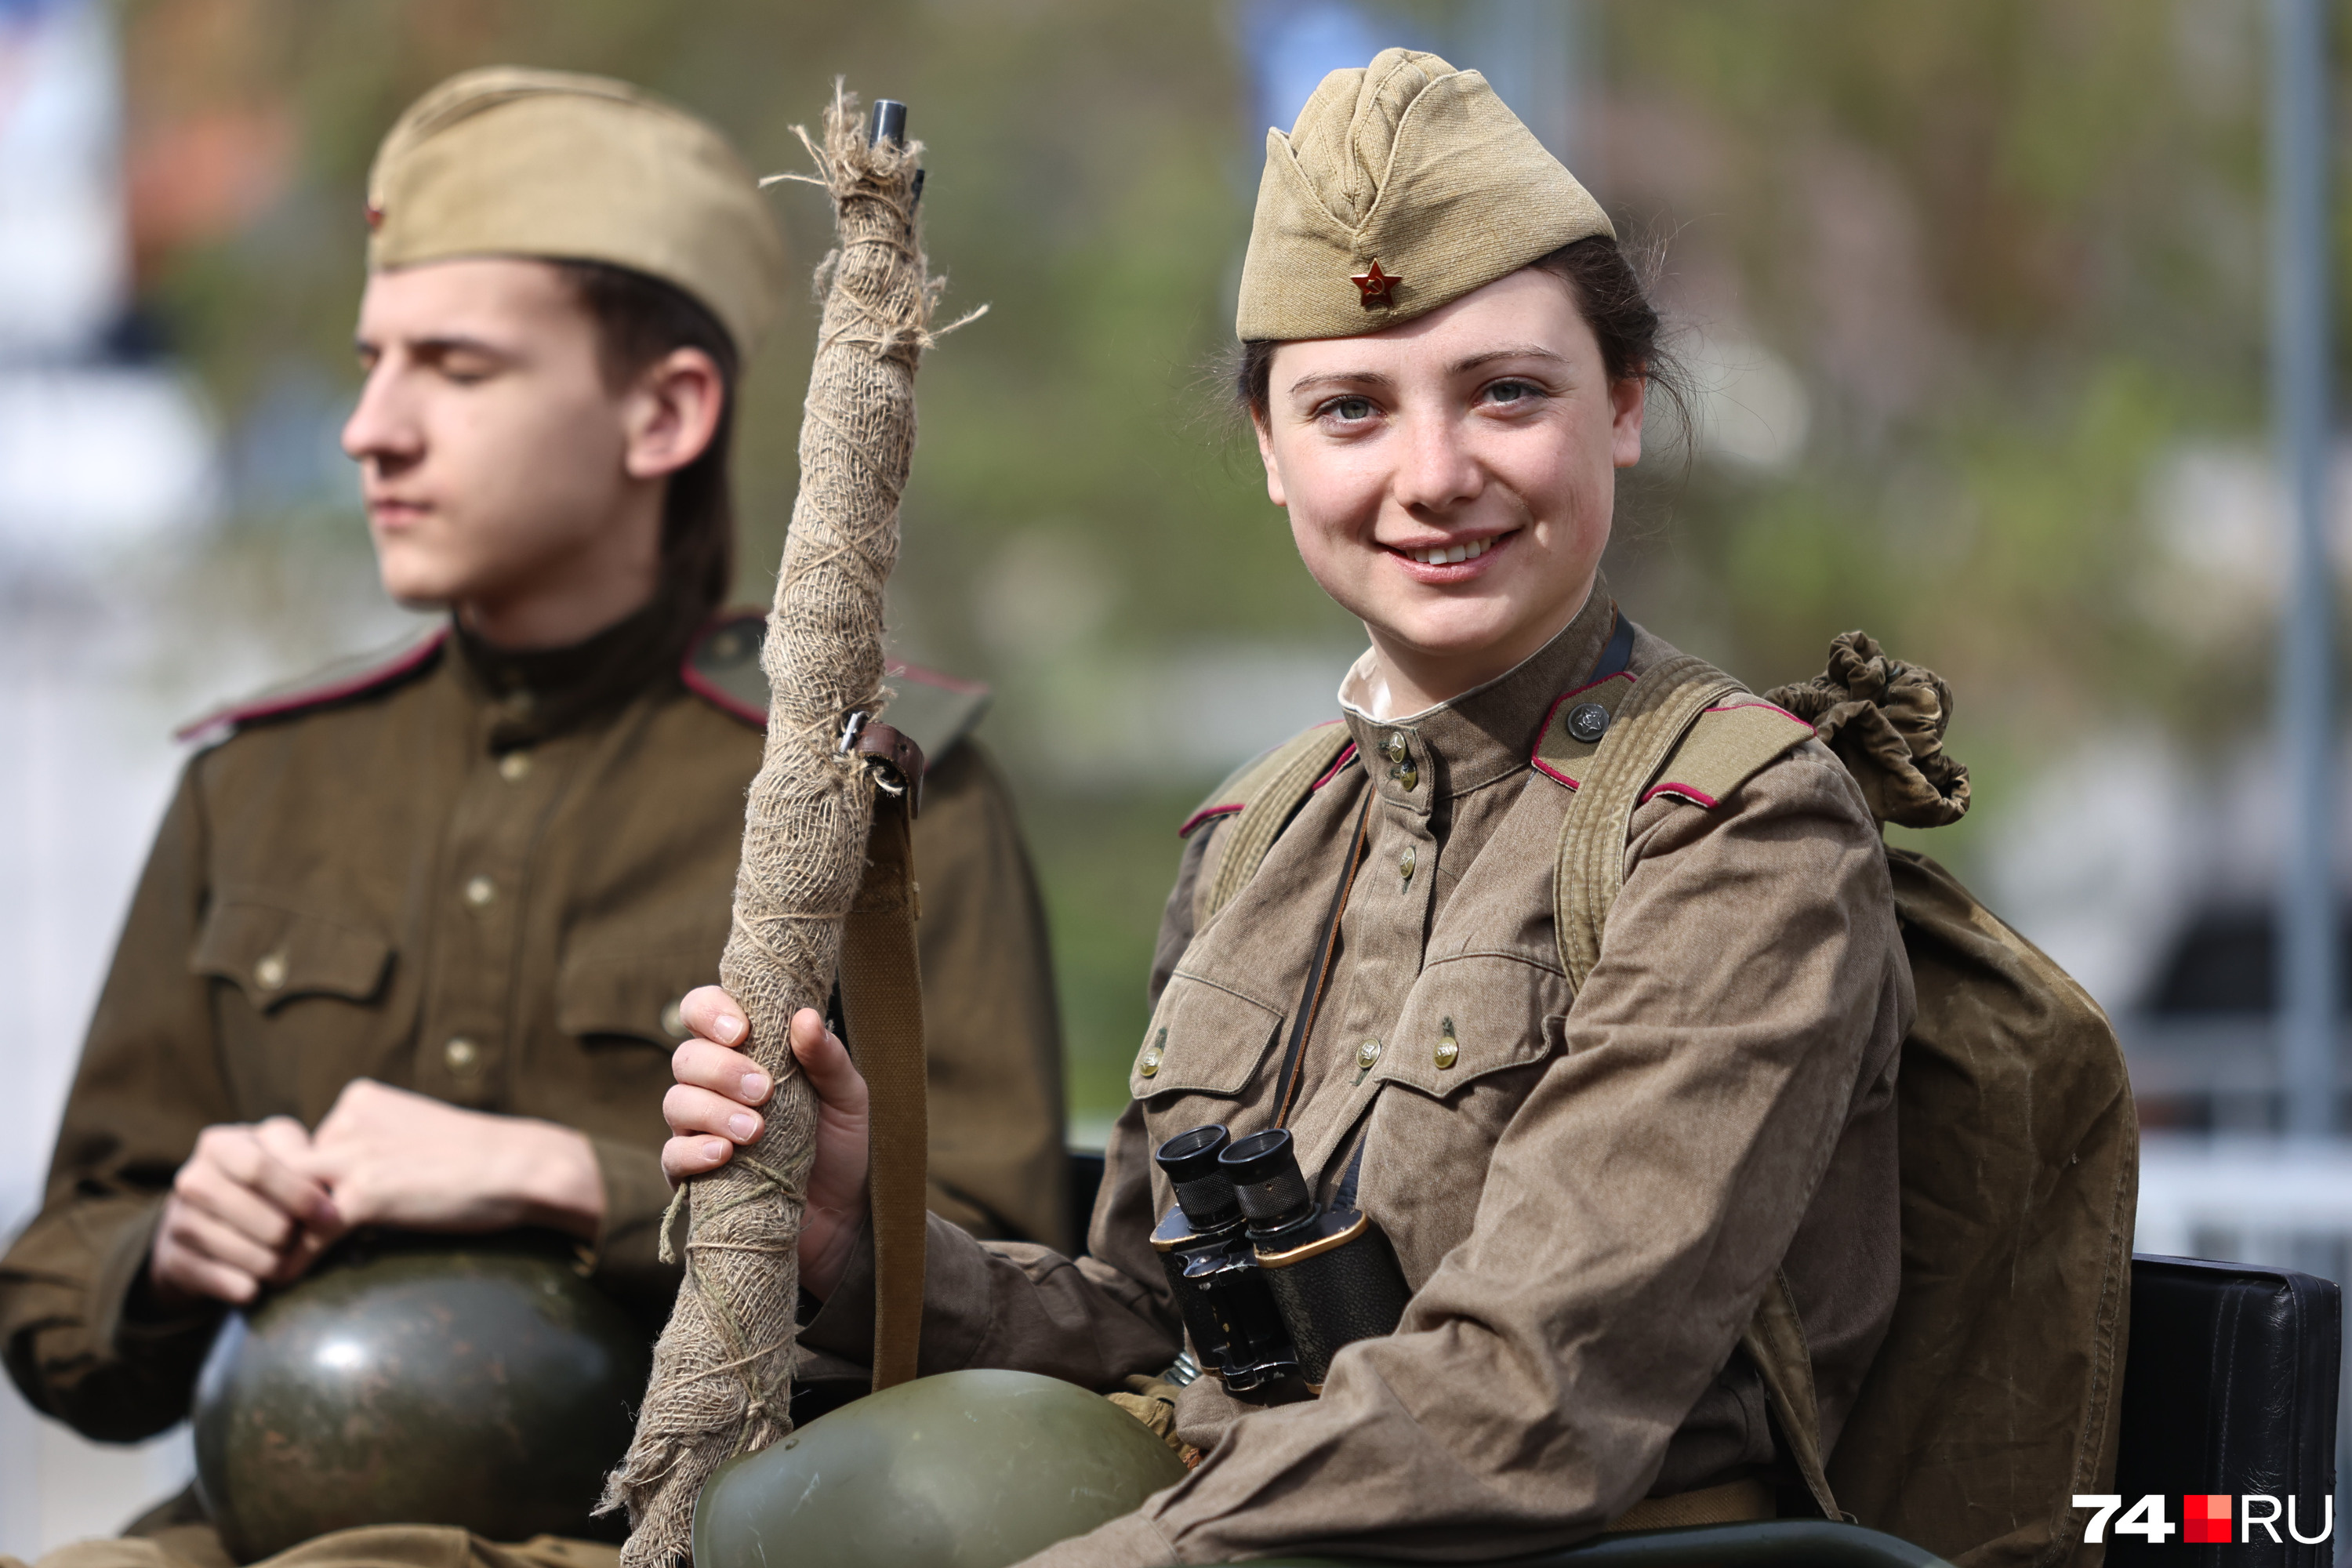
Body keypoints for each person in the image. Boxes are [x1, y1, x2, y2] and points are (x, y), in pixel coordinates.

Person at [662, 47, 1911, 1567]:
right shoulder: (1260, 830)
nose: (1434, 474)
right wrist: (855, 1241)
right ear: (1270, 448)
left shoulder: (1736, 826)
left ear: (1625, 404)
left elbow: (1533, 1399)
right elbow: (1164, 1333)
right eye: (1351, 410)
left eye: (1507, 393)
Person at [0, 66, 1066, 1567]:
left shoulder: (868, 787)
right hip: (256, 1521)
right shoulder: (258, 783)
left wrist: (571, 1180)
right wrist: (171, 1249)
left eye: (456, 367)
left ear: (665, 412)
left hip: (684, 1530)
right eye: (371, 363)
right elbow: (55, 1299)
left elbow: (1005, 1287)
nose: (371, 426)